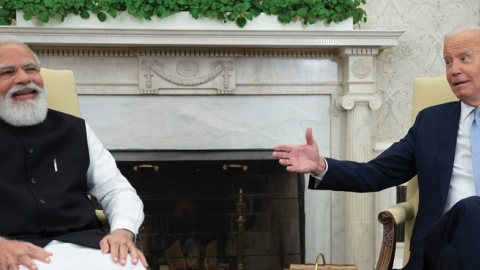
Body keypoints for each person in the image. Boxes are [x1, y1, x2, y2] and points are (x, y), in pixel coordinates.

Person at [273, 26, 480, 270]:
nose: (454, 70)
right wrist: (321, 166)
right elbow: (378, 172)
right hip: (439, 240)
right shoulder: (431, 122)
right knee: (472, 208)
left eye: (463, 58)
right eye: (447, 62)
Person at [0, 37, 148, 270]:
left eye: (31, 69)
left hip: (86, 247)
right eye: (6, 72)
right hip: (11, 251)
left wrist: (122, 231)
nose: (24, 78)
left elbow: (116, 189)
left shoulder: (75, 129)